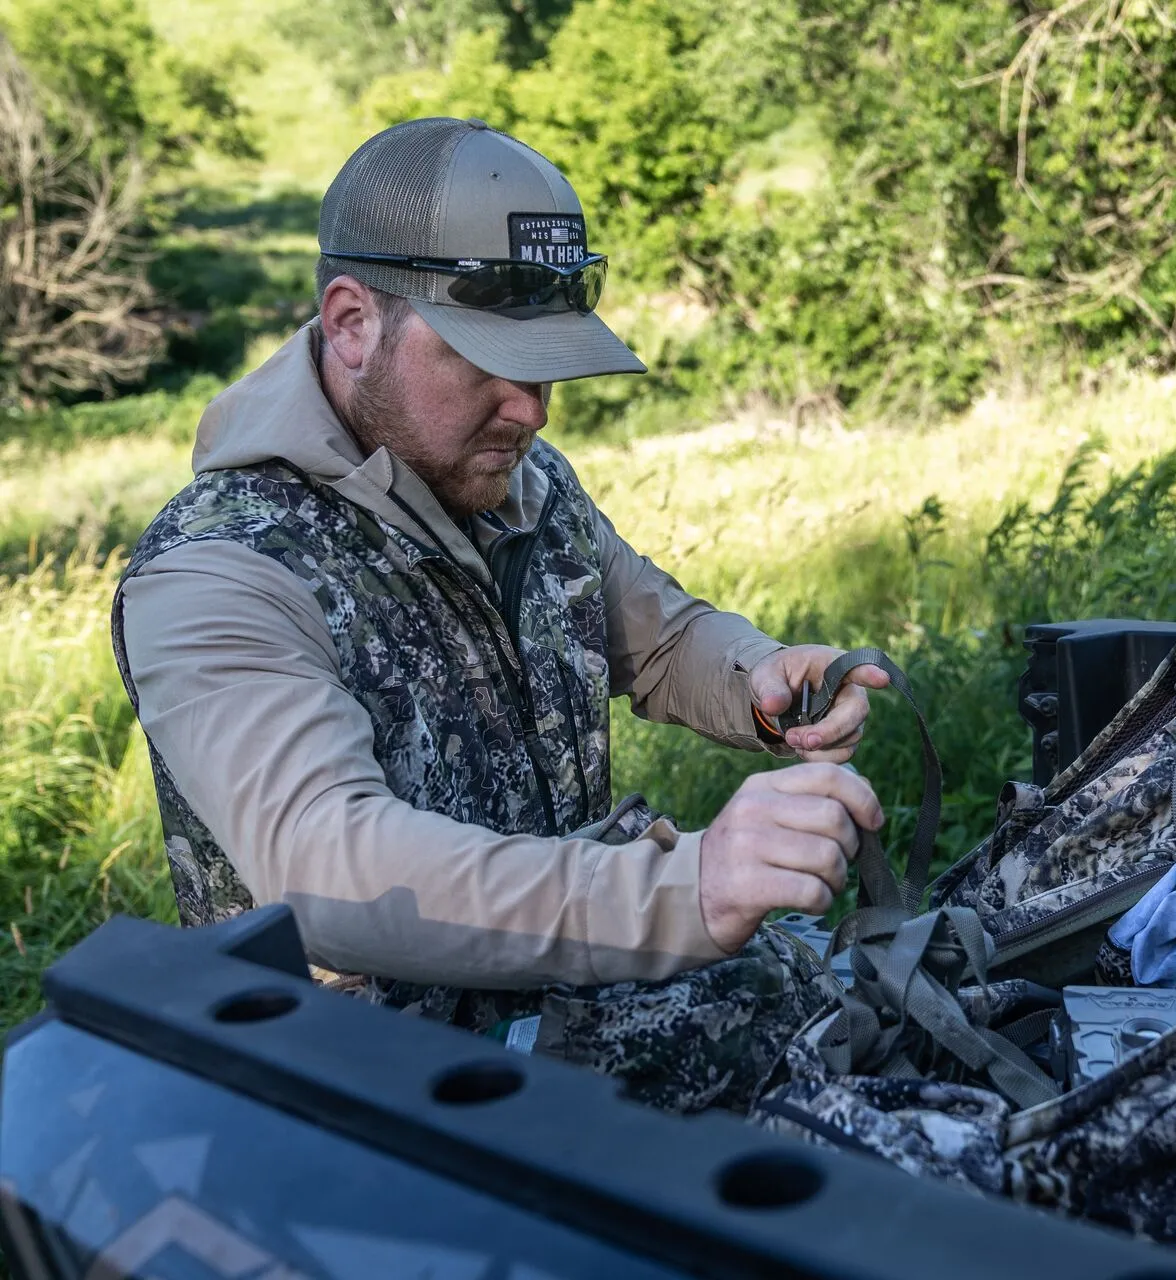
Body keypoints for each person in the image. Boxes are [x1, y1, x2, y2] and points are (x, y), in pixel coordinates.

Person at [112, 117, 889, 1112]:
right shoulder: (218, 570)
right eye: (486, 361)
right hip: (365, 1103)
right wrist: (686, 890)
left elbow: (651, 633)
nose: (532, 409)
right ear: (351, 322)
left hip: (554, 1006)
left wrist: (761, 677)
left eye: (545, 365)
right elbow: (327, 866)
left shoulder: (517, 477)